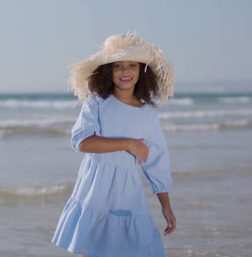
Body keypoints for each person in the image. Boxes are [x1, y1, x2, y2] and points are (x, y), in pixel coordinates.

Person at [52, 32, 176, 257]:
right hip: (96, 185)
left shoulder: (147, 113)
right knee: (91, 247)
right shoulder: (97, 103)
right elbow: (82, 142)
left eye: (132, 65)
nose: (126, 71)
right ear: (108, 71)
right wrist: (128, 143)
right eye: (118, 66)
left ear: (142, 72)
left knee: (134, 248)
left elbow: (157, 160)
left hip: (128, 188)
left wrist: (165, 205)